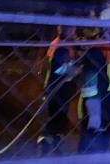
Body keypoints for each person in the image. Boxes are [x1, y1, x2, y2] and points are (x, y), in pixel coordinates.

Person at [78, 6, 110, 153]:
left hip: (107, 108)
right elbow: (89, 82)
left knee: (101, 148)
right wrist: (95, 113)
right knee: (90, 149)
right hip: (96, 110)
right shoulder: (97, 50)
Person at [37, 24, 78, 156]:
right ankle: (48, 146)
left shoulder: (62, 45)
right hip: (57, 89)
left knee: (55, 118)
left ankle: (52, 143)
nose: (74, 30)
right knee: (54, 118)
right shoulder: (61, 47)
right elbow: (59, 70)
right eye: (72, 28)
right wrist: (75, 69)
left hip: (57, 89)